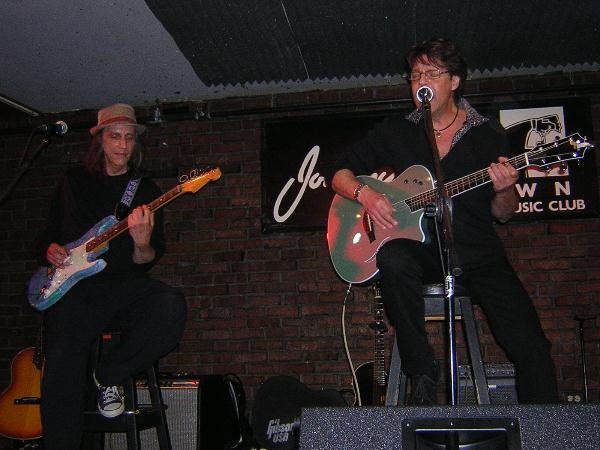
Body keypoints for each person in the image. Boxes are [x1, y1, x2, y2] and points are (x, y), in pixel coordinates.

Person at [330, 38, 558, 405]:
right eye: (415, 74)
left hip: (476, 252)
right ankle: (421, 372)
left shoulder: (488, 134)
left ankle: (548, 432)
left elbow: (503, 212)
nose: (421, 80)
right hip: (421, 252)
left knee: (529, 343)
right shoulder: (397, 131)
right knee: (392, 257)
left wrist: (504, 188)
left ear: (454, 82)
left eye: (432, 73)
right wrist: (367, 196)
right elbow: (336, 172)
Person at [36, 103, 187, 449]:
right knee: (61, 363)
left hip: (122, 287)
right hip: (76, 290)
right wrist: (51, 249)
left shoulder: (144, 190)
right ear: (100, 140)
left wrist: (142, 242)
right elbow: (46, 234)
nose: (122, 144)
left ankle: (108, 375)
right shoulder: (73, 182)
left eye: (129, 138)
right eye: (115, 136)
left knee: (169, 306)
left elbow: (145, 260)